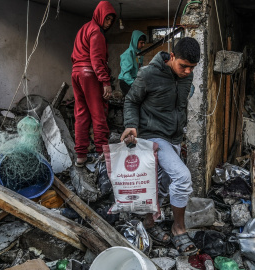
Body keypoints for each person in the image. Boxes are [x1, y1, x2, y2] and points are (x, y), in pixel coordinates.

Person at [120, 37, 201, 256]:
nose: (187, 71)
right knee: (182, 178)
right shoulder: (148, 74)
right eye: (183, 66)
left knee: (163, 183)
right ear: (171, 56)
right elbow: (131, 101)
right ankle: (178, 228)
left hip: (174, 137)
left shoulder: (187, 76)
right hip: (153, 135)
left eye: (191, 68)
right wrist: (131, 126)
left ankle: (148, 222)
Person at [71, 1, 116, 167]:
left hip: (76, 72)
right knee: (99, 114)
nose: (109, 22)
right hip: (90, 74)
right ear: (99, 15)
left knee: (81, 114)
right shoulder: (97, 32)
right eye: (107, 18)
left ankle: (81, 156)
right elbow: (97, 59)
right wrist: (105, 82)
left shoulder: (84, 28)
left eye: (111, 20)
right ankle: (101, 153)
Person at [118, 30, 147, 96]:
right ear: (135, 41)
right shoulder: (128, 54)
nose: (143, 45)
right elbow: (126, 74)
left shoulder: (138, 54)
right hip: (126, 82)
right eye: (141, 43)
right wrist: (135, 85)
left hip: (133, 81)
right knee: (134, 99)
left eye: (144, 43)